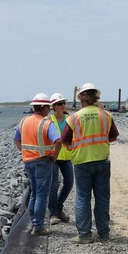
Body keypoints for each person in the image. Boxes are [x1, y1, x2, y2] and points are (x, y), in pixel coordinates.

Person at [61, 82, 118, 244]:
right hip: (102, 161)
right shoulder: (106, 115)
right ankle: (104, 234)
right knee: (102, 197)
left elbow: (65, 141)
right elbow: (113, 137)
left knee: (83, 198)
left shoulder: (74, 118)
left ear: (81, 98)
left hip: (82, 162)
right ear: (96, 97)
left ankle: (85, 235)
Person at [13, 93, 61, 236]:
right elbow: (58, 141)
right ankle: (39, 226)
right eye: (49, 107)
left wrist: (25, 152)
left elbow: (16, 140)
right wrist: (55, 155)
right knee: (41, 195)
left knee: (34, 193)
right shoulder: (46, 123)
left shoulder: (23, 122)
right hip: (42, 162)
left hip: (28, 162)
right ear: (45, 107)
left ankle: (34, 222)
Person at [46, 92, 73, 225]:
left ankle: (58, 207)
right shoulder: (49, 120)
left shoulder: (70, 118)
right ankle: (53, 213)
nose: (63, 106)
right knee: (54, 185)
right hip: (53, 157)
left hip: (67, 156)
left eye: (63, 103)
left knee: (69, 183)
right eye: (59, 104)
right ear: (53, 106)